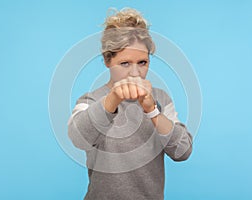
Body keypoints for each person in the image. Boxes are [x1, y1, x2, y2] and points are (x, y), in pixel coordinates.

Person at [68, 8, 193, 200]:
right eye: (125, 63)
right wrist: (112, 99)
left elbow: (182, 151)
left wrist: (152, 112)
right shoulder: (90, 101)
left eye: (142, 62)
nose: (135, 73)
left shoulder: (161, 100)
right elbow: (77, 138)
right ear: (107, 60)